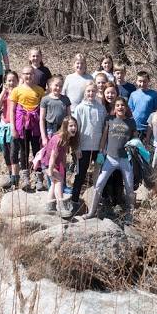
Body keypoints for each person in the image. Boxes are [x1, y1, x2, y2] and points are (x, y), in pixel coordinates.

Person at [87, 97, 137, 223]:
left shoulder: (131, 122)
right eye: (118, 105)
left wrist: (133, 152)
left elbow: (135, 140)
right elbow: (104, 137)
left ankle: (130, 214)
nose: (120, 107)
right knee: (99, 184)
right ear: (114, 108)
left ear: (126, 108)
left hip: (125, 159)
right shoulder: (109, 120)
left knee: (130, 187)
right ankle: (91, 212)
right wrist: (100, 153)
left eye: (122, 105)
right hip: (110, 158)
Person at [69, 82, 106, 212]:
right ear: (85, 92)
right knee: (80, 175)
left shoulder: (101, 108)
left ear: (96, 92)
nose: (91, 94)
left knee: (98, 176)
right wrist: (77, 147)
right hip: (83, 148)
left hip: (98, 149)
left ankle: (96, 203)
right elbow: (76, 130)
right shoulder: (79, 108)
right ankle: (74, 201)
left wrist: (103, 148)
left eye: (93, 91)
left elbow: (103, 129)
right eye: (88, 91)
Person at [10, 66, 46, 191]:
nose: (28, 76)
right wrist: (12, 128)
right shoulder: (16, 90)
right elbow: (12, 110)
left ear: (34, 75)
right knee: (24, 151)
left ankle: (38, 178)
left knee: (37, 151)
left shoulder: (40, 90)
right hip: (22, 125)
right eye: (26, 74)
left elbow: (43, 110)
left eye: (31, 74)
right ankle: (26, 179)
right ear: (22, 75)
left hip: (36, 124)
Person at [37, 116, 78, 214]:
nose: (74, 128)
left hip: (53, 164)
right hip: (47, 164)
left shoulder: (66, 138)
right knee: (58, 180)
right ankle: (61, 206)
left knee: (55, 182)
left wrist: (63, 167)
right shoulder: (58, 139)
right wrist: (50, 171)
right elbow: (52, 156)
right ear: (65, 127)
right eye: (71, 126)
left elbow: (63, 154)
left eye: (75, 126)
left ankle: (50, 206)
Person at [0, 69, 20, 189]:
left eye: (14, 80)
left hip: (14, 127)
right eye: (9, 80)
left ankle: (16, 178)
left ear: (18, 81)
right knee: (6, 153)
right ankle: (11, 176)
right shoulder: (5, 94)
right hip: (4, 126)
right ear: (5, 82)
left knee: (14, 153)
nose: (11, 83)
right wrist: (4, 91)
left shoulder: (20, 93)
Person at [128, 71, 157, 144]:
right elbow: (130, 110)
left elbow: (156, 111)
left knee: (146, 149)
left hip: (148, 127)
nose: (142, 84)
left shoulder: (153, 94)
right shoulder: (133, 94)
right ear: (136, 81)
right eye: (140, 81)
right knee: (135, 149)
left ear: (148, 81)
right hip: (135, 127)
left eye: (144, 81)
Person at [39, 75, 71, 146]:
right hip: (49, 129)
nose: (58, 88)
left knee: (61, 150)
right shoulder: (45, 99)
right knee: (50, 151)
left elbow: (69, 118)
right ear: (50, 85)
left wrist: (68, 133)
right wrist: (44, 137)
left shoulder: (66, 99)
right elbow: (42, 119)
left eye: (60, 86)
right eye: (56, 85)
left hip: (62, 129)